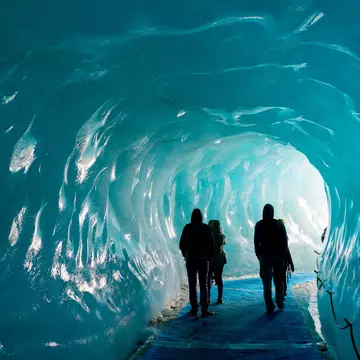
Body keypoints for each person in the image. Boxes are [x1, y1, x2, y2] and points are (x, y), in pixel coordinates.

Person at [179, 209, 214, 317]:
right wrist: (209, 256)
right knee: (203, 284)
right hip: (203, 260)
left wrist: (186, 255)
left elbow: (181, 244)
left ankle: (194, 308)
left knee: (192, 284)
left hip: (191, 260)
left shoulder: (187, 227)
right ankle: (204, 309)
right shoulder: (205, 228)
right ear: (201, 216)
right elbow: (211, 244)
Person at [254, 204, 288, 314]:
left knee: (266, 282)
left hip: (265, 256)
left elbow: (256, 242)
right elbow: (284, 241)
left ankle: (269, 305)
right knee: (278, 280)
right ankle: (280, 301)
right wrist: (283, 256)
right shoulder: (279, 224)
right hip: (278, 255)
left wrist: (259, 255)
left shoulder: (259, 224)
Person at [208, 220, 227, 304]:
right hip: (220, 259)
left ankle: (208, 298)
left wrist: (212, 262)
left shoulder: (212, 236)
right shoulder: (221, 236)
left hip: (213, 259)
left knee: (209, 278)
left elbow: (215, 251)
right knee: (219, 278)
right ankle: (219, 298)